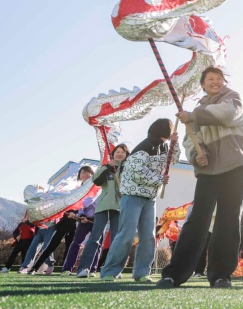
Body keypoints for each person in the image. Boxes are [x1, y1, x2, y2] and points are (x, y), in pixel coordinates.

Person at [157, 67, 243, 289]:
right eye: (210, 79)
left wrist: (193, 116)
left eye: (219, 78)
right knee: (197, 219)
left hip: (235, 166)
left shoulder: (233, 98)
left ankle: (221, 275)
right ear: (202, 85)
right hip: (209, 170)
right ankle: (174, 274)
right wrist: (196, 155)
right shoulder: (196, 112)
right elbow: (190, 141)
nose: (216, 81)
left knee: (229, 220)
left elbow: (229, 114)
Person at [100, 118, 179, 282]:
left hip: (150, 198)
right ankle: (110, 271)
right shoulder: (144, 146)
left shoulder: (164, 146)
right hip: (132, 195)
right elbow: (137, 171)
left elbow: (173, 160)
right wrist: (159, 180)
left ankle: (142, 273)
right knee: (127, 234)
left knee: (148, 236)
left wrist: (174, 143)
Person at [77, 143, 129, 278]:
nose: (119, 154)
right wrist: (107, 167)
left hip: (119, 207)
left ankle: (113, 269)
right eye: (117, 152)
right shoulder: (107, 167)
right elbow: (96, 180)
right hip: (103, 206)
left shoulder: (129, 168)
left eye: (122, 152)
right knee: (95, 237)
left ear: (126, 155)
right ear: (113, 154)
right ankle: (84, 268)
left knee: (116, 239)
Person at [28, 208, 79, 274]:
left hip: (74, 227)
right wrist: (69, 212)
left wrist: (76, 214)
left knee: (69, 249)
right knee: (50, 247)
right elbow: (60, 208)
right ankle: (35, 268)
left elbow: (83, 211)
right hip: (62, 226)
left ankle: (66, 269)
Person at [61, 197, 96, 274]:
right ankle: (67, 269)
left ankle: (92, 270)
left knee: (97, 245)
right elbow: (81, 203)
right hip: (84, 220)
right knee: (76, 243)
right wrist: (82, 215)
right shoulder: (89, 190)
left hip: (99, 220)